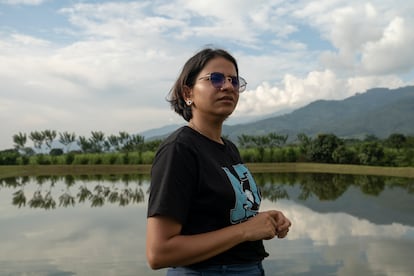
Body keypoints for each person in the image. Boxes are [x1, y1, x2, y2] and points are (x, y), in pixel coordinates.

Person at [146, 47, 292, 276]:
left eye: (234, 81)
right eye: (215, 78)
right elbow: (159, 253)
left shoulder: (228, 148)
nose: (227, 86)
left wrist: (265, 220)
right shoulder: (180, 149)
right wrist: (245, 231)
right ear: (188, 93)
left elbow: (227, 218)